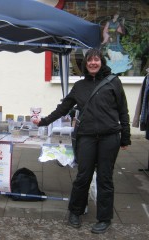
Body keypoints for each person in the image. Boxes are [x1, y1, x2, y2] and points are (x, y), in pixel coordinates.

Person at [33, 48, 131, 234]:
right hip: (86, 137)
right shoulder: (79, 87)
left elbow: (123, 111)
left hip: (109, 137)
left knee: (105, 178)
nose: (93, 63)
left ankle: (104, 218)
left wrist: (125, 137)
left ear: (101, 62)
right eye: (89, 61)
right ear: (85, 64)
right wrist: (43, 121)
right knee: (82, 176)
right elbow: (63, 108)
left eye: (96, 60)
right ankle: (75, 212)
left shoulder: (113, 82)